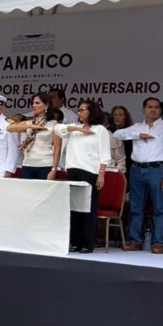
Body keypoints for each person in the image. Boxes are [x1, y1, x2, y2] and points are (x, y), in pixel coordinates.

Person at [112, 97, 163, 254]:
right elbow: (117, 133)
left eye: (156, 107)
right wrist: (137, 135)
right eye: (150, 107)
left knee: (159, 208)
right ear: (143, 110)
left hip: (157, 169)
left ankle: (158, 242)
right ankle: (135, 241)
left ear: (160, 110)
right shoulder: (136, 127)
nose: (153, 109)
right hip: (136, 170)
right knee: (136, 207)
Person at [56, 100, 112, 253]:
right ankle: (75, 242)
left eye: (83, 110)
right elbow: (57, 129)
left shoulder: (100, 130)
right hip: (73, 170)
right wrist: (78, 129)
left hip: (90, 172)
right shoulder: (75, 128)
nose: (79, 112)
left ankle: (87, 243)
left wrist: (101, 175)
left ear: (91, 112)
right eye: (79, 110)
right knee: (74, 209)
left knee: (88, 209)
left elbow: (105, 154)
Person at [7, 92, 61, 180]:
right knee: (27, 193)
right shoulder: (29, 123)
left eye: (37, 103)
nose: (33, 105)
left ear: (46, 105)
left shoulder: (54, 124)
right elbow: (9, 128)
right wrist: (30, 126)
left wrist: (54, 169)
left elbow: (57, 149)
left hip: (45, 164)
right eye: (33, 103)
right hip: (27, 164)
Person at [104, 107, 130, 174]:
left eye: (120, 115)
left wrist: (116, 171)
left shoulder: (117, 137)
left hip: (110, 173)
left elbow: (121, 160)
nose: (117, 117)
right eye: (115, 115)